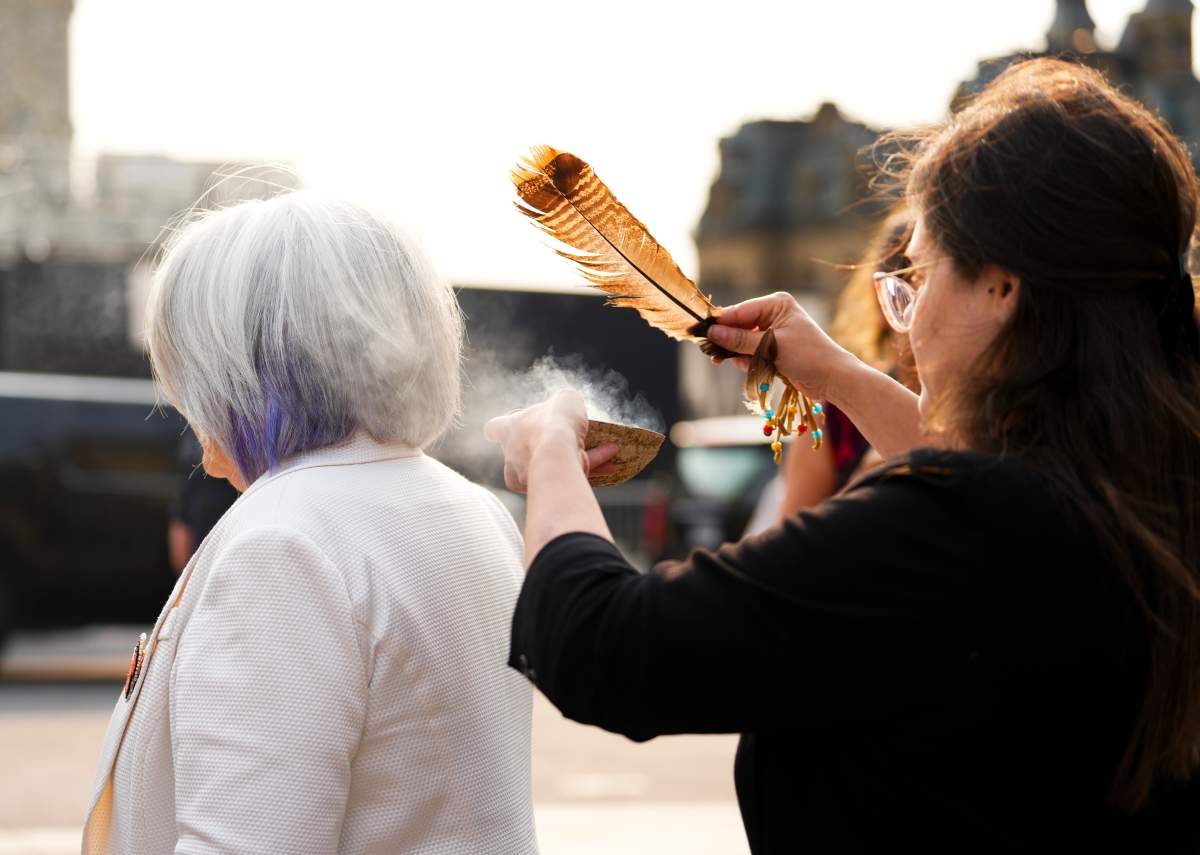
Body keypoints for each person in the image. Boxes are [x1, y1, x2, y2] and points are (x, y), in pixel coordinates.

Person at [486, 58, 1200, 852]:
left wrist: (550, 446)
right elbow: (1021, 486)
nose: (905, 320)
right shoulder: (1154, 488)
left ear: (1003, 289)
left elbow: (603, 645)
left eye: (917, 279)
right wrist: (840, 377)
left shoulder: (954, 532)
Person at [83, 191, 536, 854]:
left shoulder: (284, 539)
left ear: (249, 364)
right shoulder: (473, 505)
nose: (187, 406)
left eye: (191, 367)